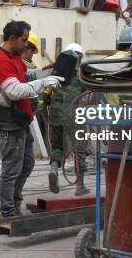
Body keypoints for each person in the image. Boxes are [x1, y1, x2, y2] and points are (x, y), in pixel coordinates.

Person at [0, 20, 63, 217]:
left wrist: (51, 69)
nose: (26, 45)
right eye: (24, 40)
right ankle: (8, 209)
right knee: (12, 168)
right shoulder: (0, 60)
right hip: (9, 122)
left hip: (20, 120)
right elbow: (14, 91)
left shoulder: (15, 58)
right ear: (11, 39)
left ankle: (13, 200)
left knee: (27, 163)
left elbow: (28, 74)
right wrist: (43, 82)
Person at [47, 43, 90, 196]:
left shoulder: (55, 73)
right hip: (74, 115)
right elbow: (89, 93)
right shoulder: (81, 73)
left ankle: (54, 170)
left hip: (55, 114)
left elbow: (46, 94)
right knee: (80, 148)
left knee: (57, 147)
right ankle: (80, 186)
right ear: (79, 57)